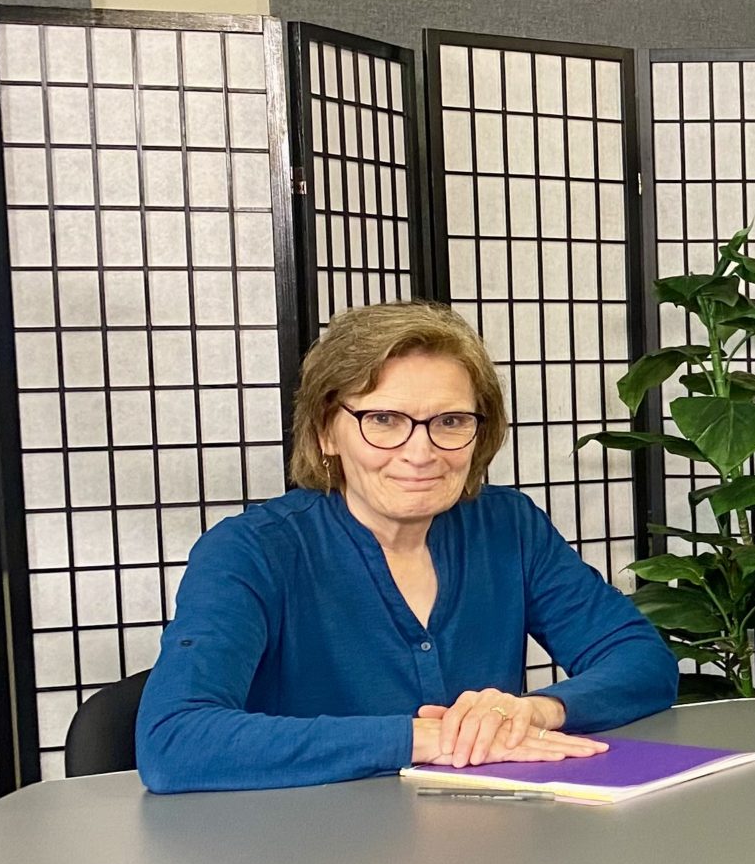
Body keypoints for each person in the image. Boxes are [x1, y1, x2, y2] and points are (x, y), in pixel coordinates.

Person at [136, 303, 679, 793]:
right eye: (384, 420)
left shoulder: (507, 526)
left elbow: (642, 661)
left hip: (487, 852)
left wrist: (533, 712)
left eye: (450, 421)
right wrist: (428, 739)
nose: (420, 452)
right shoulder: (251, 552)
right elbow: (174, 740)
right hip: (300, 862)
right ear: (327, 431)